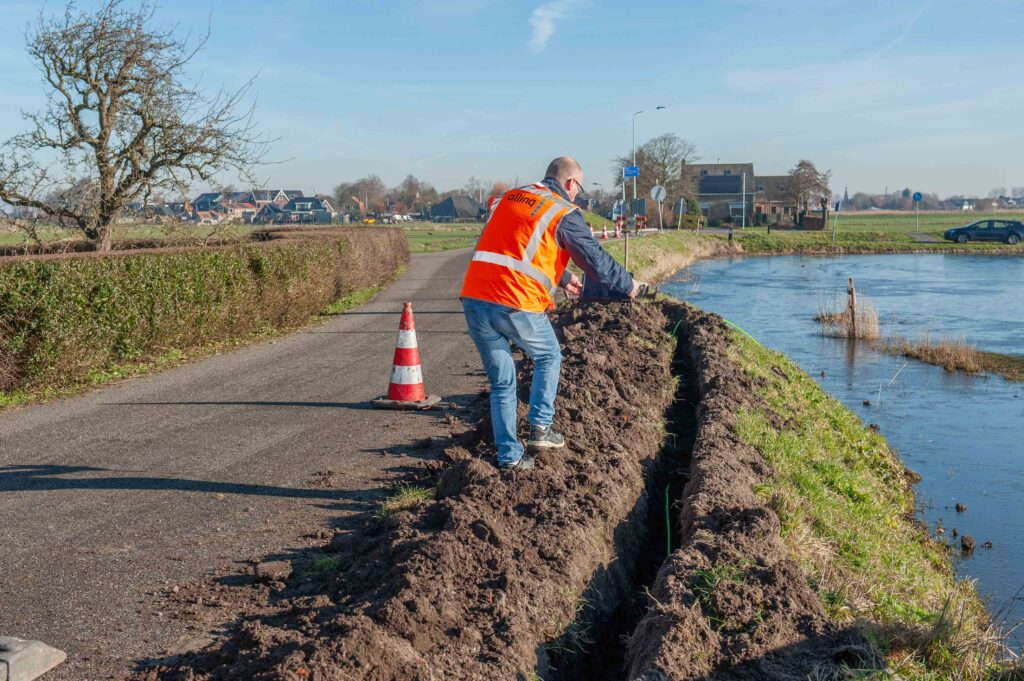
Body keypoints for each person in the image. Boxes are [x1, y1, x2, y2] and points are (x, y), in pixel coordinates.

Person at [460, 157, 641, 470]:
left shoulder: (511, 198)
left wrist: (563, 277)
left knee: (503, 384)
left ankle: (510, 458)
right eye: (579, 189)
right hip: (515, 303)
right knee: (549, 356)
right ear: (571, 184)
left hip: (475, 299)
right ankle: (541, 428)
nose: (577, 195)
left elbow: (516, 249)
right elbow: (596, 261)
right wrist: (629, 286)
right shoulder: (563, 211)